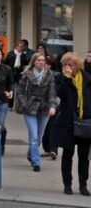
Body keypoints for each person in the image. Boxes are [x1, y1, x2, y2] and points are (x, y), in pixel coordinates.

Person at [52, 52, 91, 196]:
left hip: (85, 122)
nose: (67, 68)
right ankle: (67, 184)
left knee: (83, 157)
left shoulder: (87, 79)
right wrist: (66, 78)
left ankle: (83, 185)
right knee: (67, 155)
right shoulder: (60, 78)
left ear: (78, 66)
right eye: (65, 65)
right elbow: (60, 94)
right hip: (68, 122)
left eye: (70, 65)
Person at [16, 53, 57, 172]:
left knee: (39, 137)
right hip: (30, 108)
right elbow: (19, 92)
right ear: (34, 61)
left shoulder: (49, 75)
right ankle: (36, 161)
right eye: (38, 60)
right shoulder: (26, 74)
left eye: (43, 60)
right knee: (33, 135)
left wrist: (52, 106)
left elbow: (52, 93)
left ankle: (30, 153)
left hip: (44, 109)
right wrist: (24, 105)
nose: (41, 62)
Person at [5, 39, 32, 107]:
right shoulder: (10, 54)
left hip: (19, 74)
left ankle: (18, 105)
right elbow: (5, 63)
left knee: (19, 90)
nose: (22, 48)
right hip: (11, 73)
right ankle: (10, 105)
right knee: (11, 89)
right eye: (20, 46)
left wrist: (25, 68)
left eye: (22, 46)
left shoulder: (23, 55)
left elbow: (26, 64)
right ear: (16, 47)